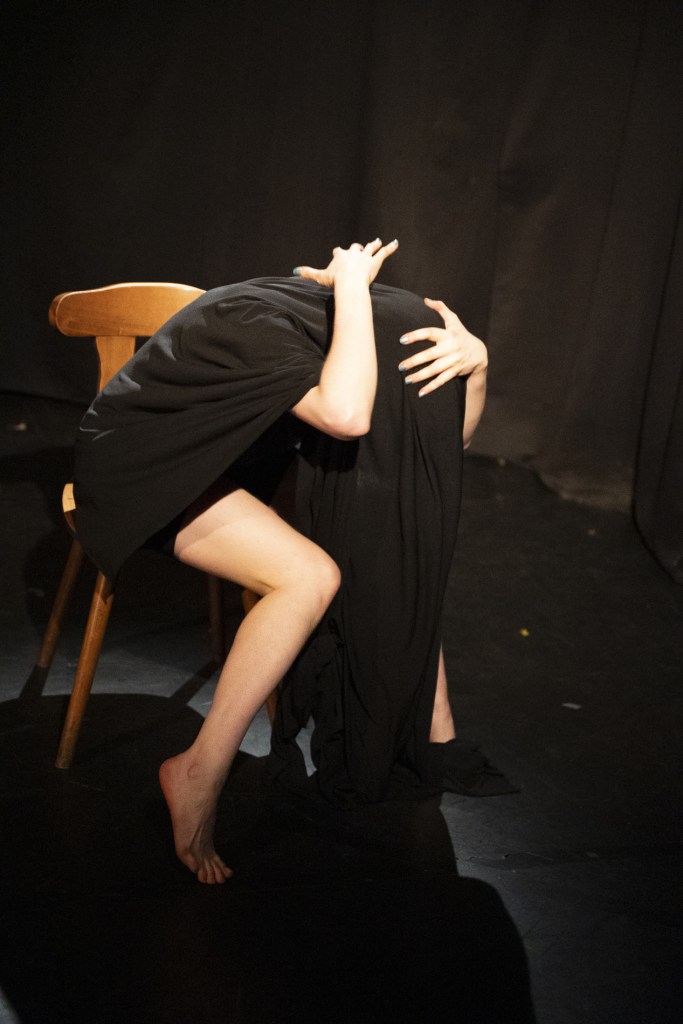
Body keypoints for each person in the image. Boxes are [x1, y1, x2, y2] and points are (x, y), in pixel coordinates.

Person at [73, 239, 514, 885]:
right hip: (143, 468)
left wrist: (476, 366)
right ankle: (197, 771)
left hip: (226, 457)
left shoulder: (340, 333)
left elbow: (449, 447)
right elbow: (346, 416)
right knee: (310, 577)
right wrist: (353, 285)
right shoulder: (257, 325)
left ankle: (432, 728)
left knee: (386, 530)